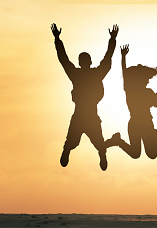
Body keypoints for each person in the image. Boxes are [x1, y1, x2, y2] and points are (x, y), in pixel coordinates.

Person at [52, 23, 118, 171]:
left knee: (97, 142)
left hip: (85, 114)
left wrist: (57, 39)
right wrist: (112, 39)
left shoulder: (79, 74)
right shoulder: (89, 74)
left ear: (83, 63)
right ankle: (73, 152)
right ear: (87, 62)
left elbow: (64, 59)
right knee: (74, 142)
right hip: (83, 114)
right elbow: (107, 58)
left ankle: (99, 154)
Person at [106, 44, 157, 159]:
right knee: (135, 154)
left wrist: (155, 98)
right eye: (146, 79)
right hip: (136, 124)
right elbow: (125, 73)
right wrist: (123, 57)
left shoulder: (146, 91)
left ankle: (154, 135)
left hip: (146, 123)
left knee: (152, 154)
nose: (147, 82)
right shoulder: (130, 90)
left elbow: (155, 104)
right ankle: (118, 141)